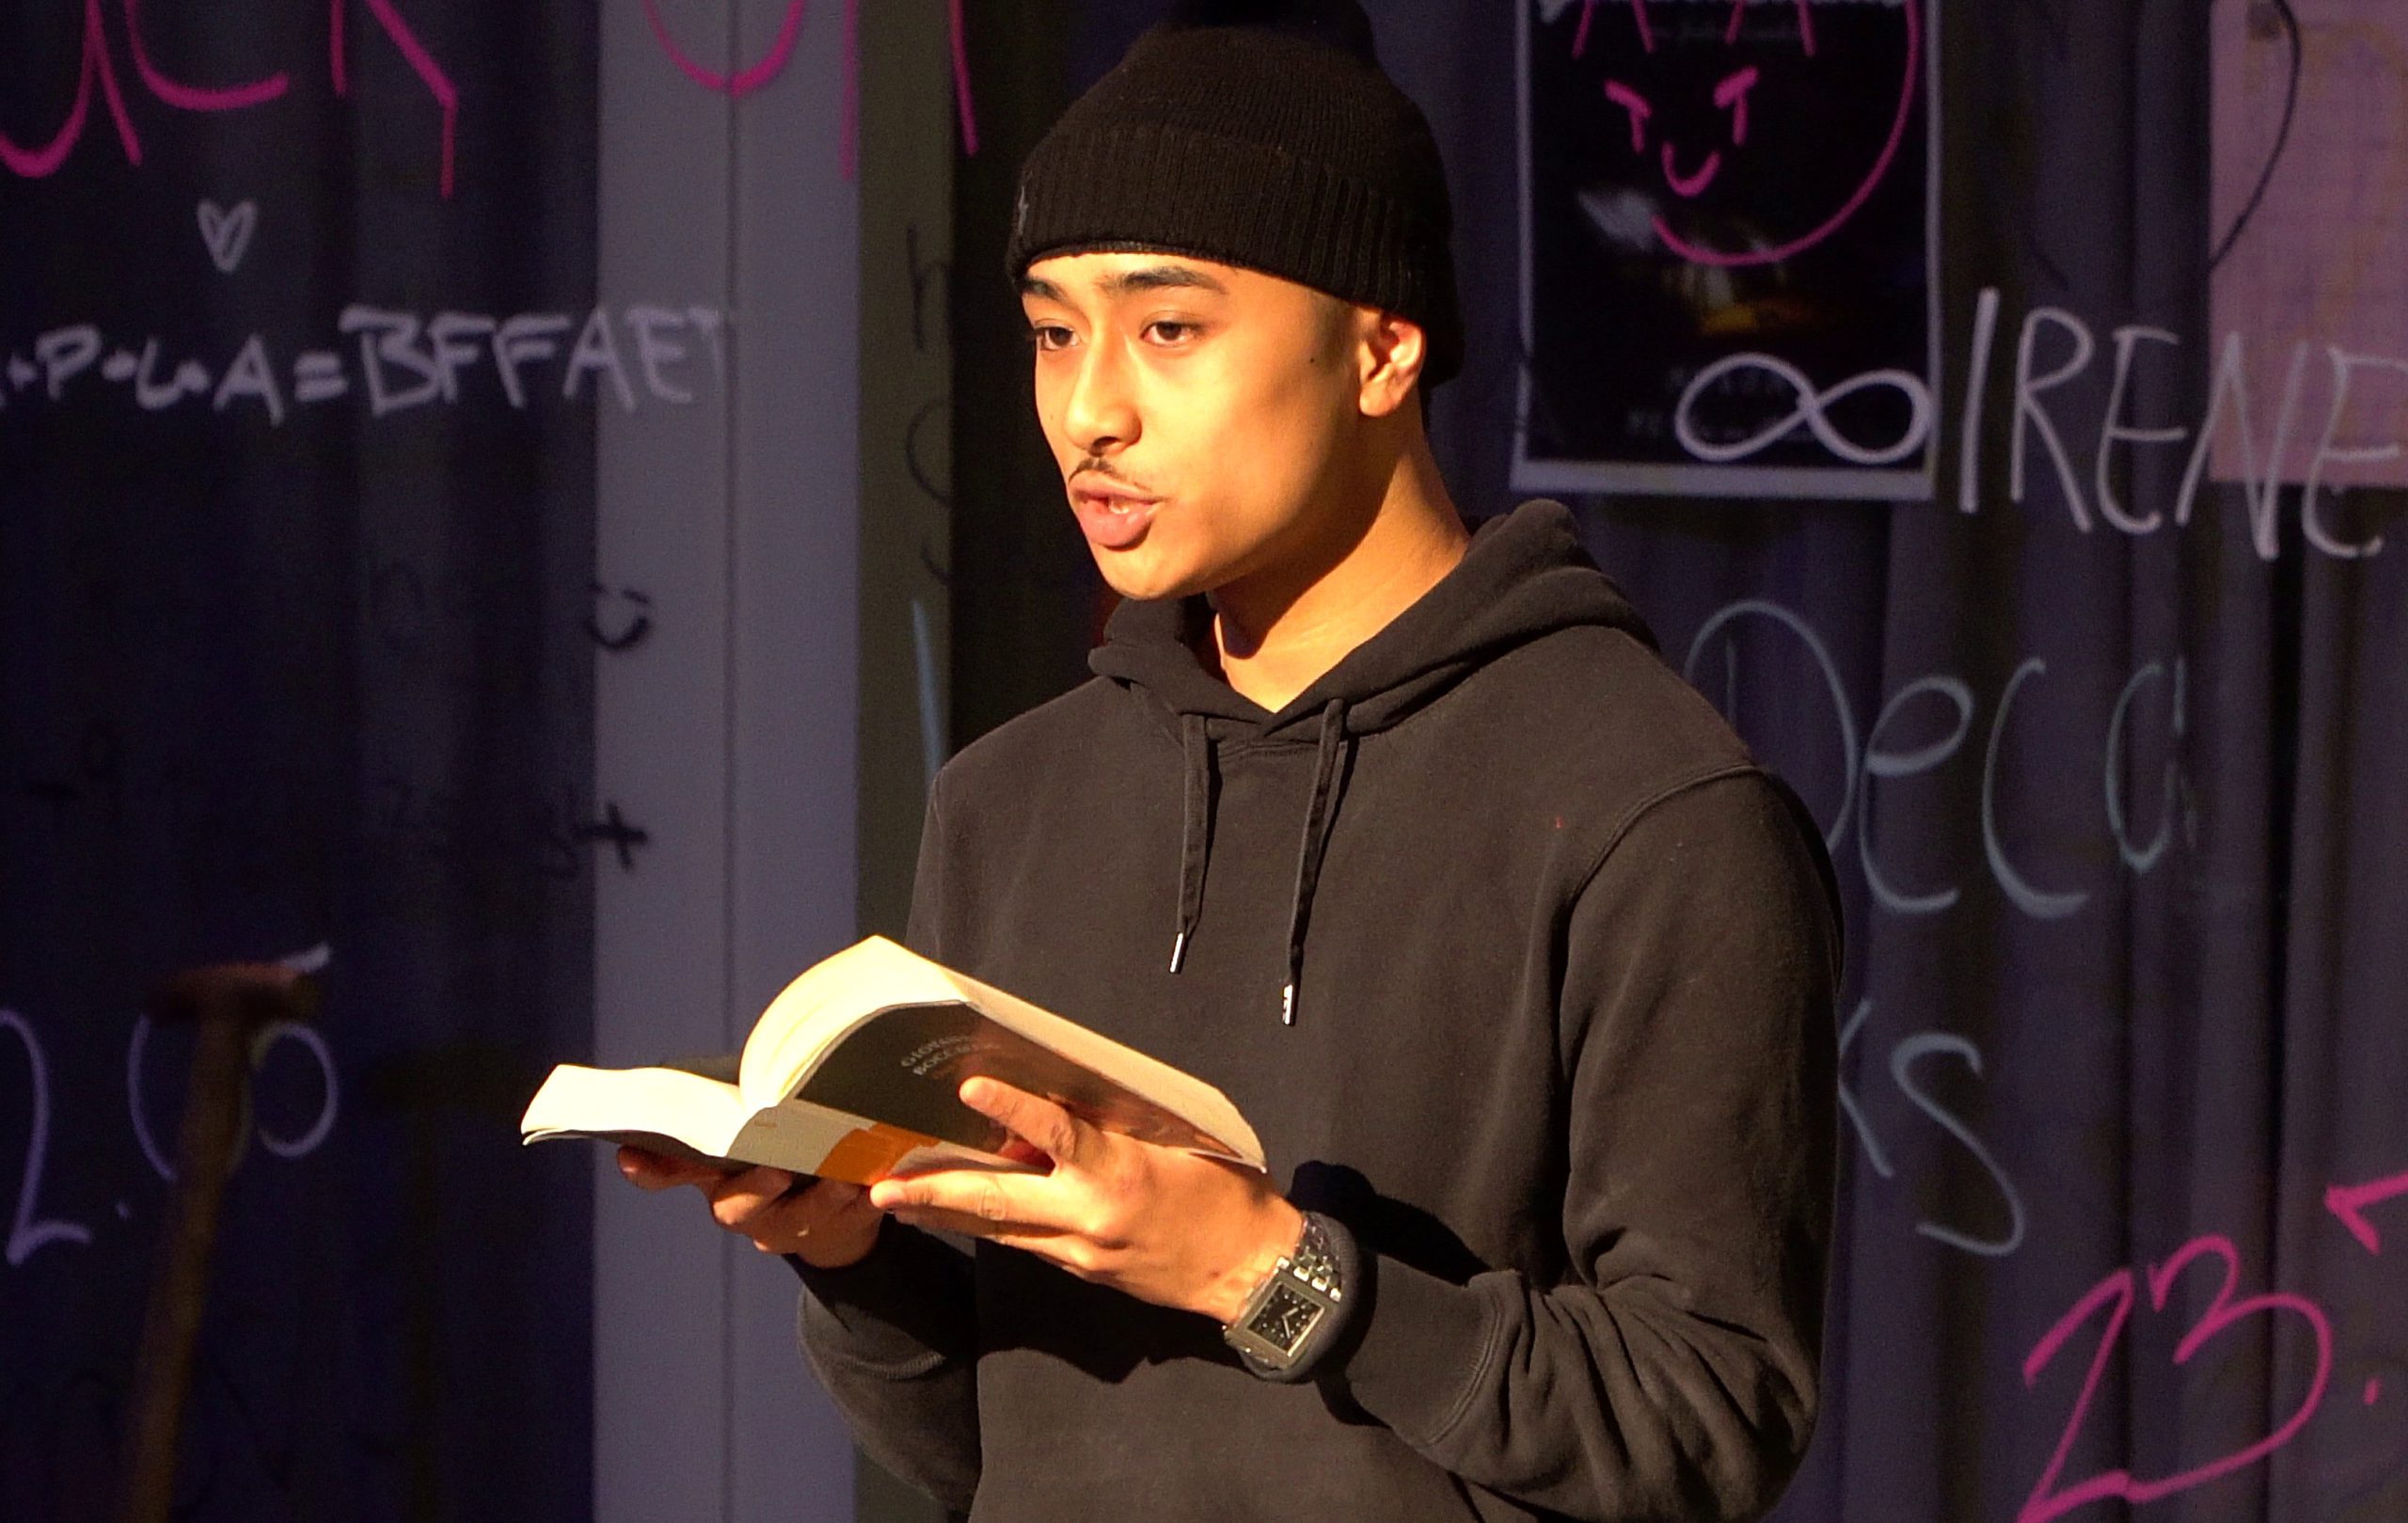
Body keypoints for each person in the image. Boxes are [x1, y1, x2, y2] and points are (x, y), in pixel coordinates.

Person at [619, 3, 1841, 1518]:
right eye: (1054, 332)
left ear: (1382, 349)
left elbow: (1708, 1417)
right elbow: (998, 1458)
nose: (1090, 410)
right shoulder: (1010, 802)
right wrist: (852, 1259)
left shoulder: (1653, 808)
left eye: (1168, 330)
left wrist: (1273, 1272)